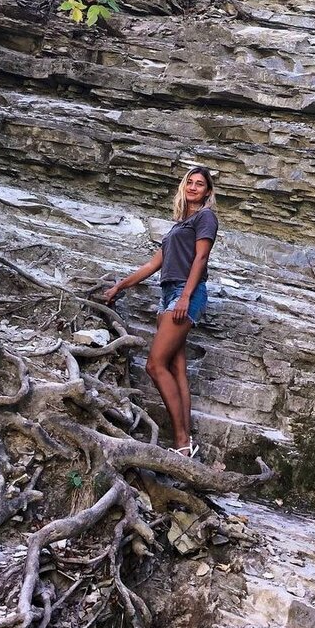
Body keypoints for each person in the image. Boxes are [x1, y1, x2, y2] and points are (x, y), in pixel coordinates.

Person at [102, 165, 219, 457]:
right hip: (169, 294)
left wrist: (185, 298)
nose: (193, 187)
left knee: (155, 365)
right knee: (176, 369)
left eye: (199, 184)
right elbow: (152, 265)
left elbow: (201, 258)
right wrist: (120, 287)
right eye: (189, 182)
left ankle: (181, 442)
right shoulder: (179, 226)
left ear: (207, 191)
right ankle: (186, 442)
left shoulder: (205, 217)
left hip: (184, 293)